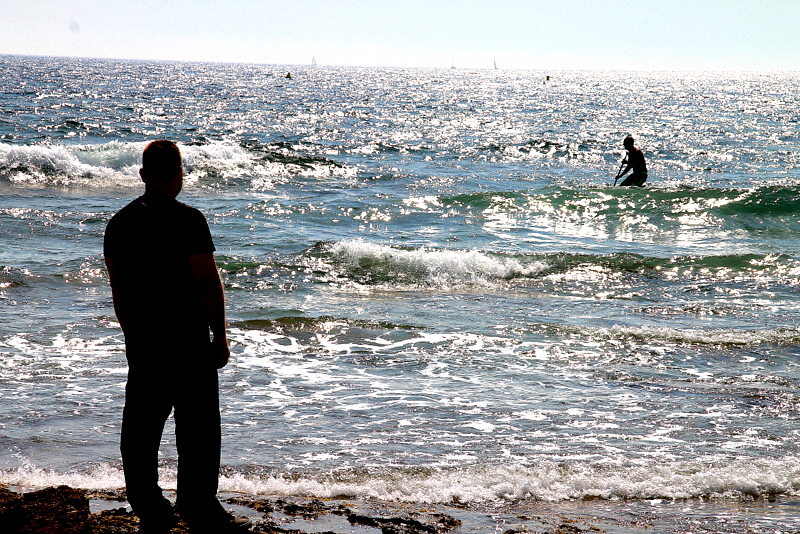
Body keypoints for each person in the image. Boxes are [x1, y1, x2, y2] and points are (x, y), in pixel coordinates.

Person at [104, 140, 251, 534]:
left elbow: (119, 288)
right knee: (198, 427)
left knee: (141, 427)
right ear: (178, 176)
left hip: (145, 338)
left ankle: (149, 504)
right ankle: (196, 501)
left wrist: (131, 336)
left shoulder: (120, 222)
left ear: (142, 175)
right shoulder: (189, 220)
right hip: (187, 337)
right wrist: (220, 336)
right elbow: (206, 280)